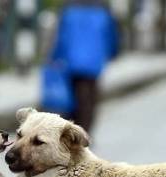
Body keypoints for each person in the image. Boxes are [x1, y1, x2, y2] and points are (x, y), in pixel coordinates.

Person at [49, 0, 119, 132]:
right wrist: (113, 53)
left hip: (72, 61)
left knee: (74, 98)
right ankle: (84, 132)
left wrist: (55, 56)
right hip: (94, 60)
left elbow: (61, 37)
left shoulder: (68, 8)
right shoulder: (103, 8)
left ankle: (73, 129)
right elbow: (111, 35)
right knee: (90, 98)